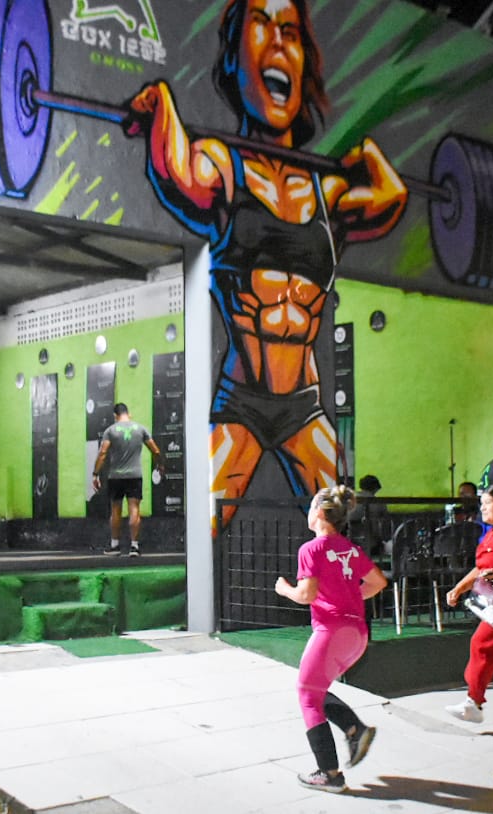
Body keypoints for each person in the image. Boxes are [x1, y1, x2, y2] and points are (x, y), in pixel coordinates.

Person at [126, 0, 408, 530]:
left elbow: (391, 195)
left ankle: (331, 588)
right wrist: (161, 104)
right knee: (206, 525)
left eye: (290, 32)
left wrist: (366, 153)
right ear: (233, 59)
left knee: (341, 529)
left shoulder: (327, 191)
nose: (278, 40)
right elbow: (178, 171)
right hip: (242, 401)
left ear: (303, 65)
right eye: (261, 25)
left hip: (305, 403)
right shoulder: (224, 164)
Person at [276, 485, 388, 793]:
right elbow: (378, 582)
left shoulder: (311, 549)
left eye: (312, 506)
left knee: (306, 693)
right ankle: (355, 730)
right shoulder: (349, 548)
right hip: (357, 634)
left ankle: (329, 773)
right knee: (316, 688)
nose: (308, 512)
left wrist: (284, 588)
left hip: (332, 631)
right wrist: (349, 597)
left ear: (320, 513)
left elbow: (306, 594)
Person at [443, 483, 493, 730]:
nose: (483, 508)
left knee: (482, 643)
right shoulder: (491, 534)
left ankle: (473, 701)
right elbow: (480, 568)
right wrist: (459, 588)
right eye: (482, 504)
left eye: (488, 503)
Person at [92, 403, 165, 557]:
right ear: (128, 414)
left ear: (115, 416)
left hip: (115, 477)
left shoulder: (110, 431)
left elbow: (103, 453)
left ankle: (115, 546)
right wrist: (160, 465)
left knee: (115, 510)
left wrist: (95, 474)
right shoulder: (141, 429)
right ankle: (134, 546)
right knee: (134, 509)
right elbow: (155, 450)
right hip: (135, 476)